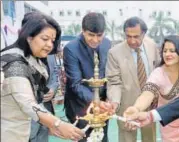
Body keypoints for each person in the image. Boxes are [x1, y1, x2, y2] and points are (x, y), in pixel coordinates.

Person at [0, 12, 85, 142]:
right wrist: (58, 124)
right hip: (11, 133)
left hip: (31, 128)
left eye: (52, 40)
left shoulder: (34, 58)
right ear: (29, 37)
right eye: (45, 39)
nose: (50, 45)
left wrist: (50, 126)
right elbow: (28, 103)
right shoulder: (13, 62)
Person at [105, 17, 160, 142]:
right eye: (128, 36)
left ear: (144, 34)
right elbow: (114, 82)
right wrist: (114, 101)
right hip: (126, 108)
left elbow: (157, 72)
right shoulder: (114, 53)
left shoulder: (152, 45)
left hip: (150, 105)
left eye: (136, 36)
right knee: (127, 139)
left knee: (150, 138)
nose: (132, 40)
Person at [63, 12, 111, 142]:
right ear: (83, 31)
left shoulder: (108, 44)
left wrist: (107, 100)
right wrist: (96, 101)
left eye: (99, 35)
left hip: (102, 107)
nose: (95, 40)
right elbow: (75, 84)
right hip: (80, 107)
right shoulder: (71, 49)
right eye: (91, 35)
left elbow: (110, 75)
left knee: (102, 138)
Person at [124, 35, 179, 142]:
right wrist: (136, 108)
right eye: (165, 51)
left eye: (172, 51)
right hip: (168, 124)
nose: (167, 54)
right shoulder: (159, 73)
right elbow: (148, 93)